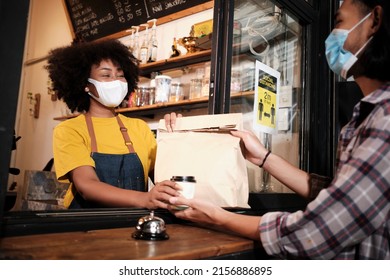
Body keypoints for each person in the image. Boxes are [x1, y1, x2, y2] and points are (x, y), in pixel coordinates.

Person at [168, 0, 390, 259]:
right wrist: (261, 157)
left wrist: (217, 217)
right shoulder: (366, 114)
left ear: (374, 20)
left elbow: (313, 232)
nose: (331, 36)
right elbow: (338, 195)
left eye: (339, 22)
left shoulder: (384, 117)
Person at [46, 39, 180, 209]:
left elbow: (165, 177)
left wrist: (176, 136)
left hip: (134, 222)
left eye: (120, 74)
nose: (116, 81)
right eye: (106, 75)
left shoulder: (139, 127)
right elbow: (87, 185)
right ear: (85, 84)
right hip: (85, 225)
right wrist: (144, 199)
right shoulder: (69, 130)